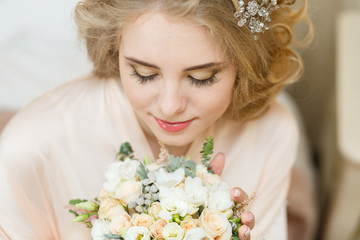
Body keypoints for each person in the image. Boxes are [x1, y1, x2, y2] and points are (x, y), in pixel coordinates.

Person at [0, 0, 312, 239]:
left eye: (202, 77)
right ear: (114, 48)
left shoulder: (273, 132)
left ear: (243, 66)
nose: (170, 105)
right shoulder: (29, 151)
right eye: (144, 74)